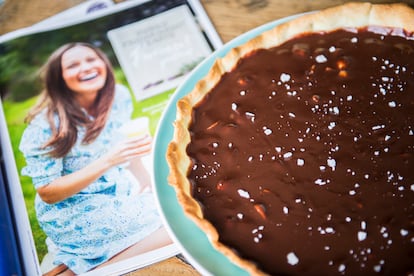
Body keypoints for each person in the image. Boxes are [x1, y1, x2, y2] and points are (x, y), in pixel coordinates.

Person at [19, 42, 172, 275]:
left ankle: (72, 264)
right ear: (59, 78)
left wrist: (146, 181)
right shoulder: (46, 125)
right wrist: (109, 160)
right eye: (73, 65)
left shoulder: (118, 97)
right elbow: (48, 192)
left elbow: (123, 145)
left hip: (113, 191)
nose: (86, 67)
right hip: (71, 211)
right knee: (171, 230)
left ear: (103, 63)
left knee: (172, 205)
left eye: (91, 59)